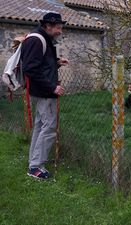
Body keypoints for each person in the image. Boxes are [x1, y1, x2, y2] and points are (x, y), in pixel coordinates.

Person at [21, 12, 69, 179]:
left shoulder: (43, 39)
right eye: (57, 27)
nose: (60, 31)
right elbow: (30, 69)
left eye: (61, 28)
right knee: (48, 129)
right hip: (46, 92)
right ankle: (35, 167)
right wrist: (52, 87)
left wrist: (56, 63)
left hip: (41, 91)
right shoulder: (37, 40)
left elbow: (40, 65)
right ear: (47, 25)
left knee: (41, 127)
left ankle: (33, 161)